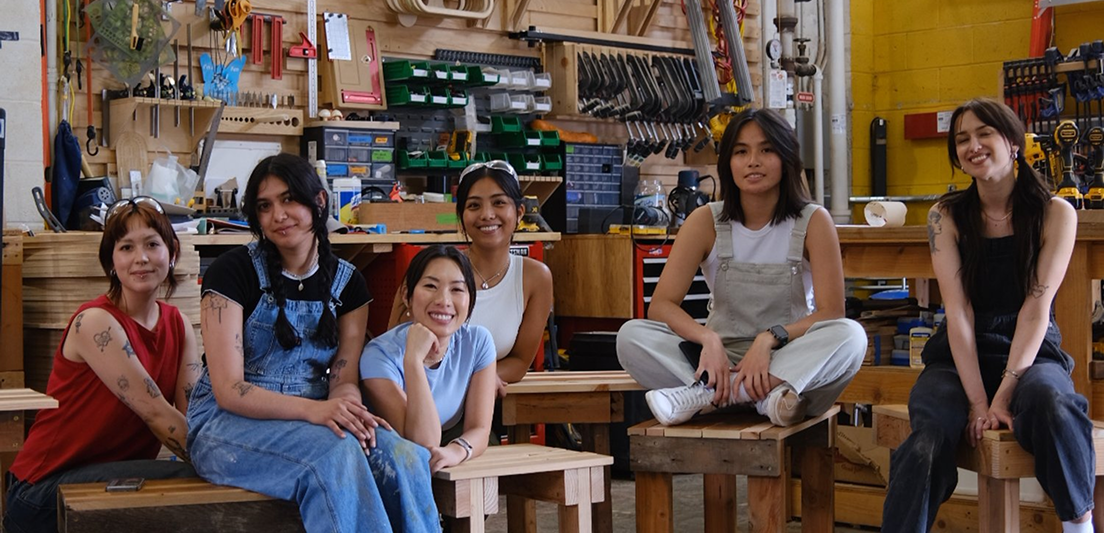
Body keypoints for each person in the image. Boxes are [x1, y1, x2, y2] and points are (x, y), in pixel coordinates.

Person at [186, 153, 439, 533]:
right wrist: (315, 411)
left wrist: (350, 409)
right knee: (334, 455)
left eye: (289, 199)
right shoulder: (231, 272)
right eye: (265, 206)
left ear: (318, 202)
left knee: (404, 454)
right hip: (225, 427)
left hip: (316, 419)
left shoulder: (349, 285)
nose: (278, 215)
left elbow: (343, 378)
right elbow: (229, 391)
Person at [882, 98, 1093, 532]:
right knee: (926, 437)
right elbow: (957, 311)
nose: (973, 145)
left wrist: (1002, 397)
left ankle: (1080, 527)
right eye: (962, 139)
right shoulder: (946, 216)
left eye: (984, 134)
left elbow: (1036, 308)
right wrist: (978, 401)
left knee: (1057, 405)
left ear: (1013, 142)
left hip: (1032, 353)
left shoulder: (1056, 213)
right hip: (958, 358)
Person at [616, 107, 867, 427]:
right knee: (631, 335)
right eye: (741, 151)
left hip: (789, 357)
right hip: (718, 361)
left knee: (851, 336)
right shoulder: (705, 220)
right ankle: (756, 396)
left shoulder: (813, 221)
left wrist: (768, 339)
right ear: (728, 163)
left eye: (766, 150)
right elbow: (662, 306)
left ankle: (713, 396)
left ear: (786, 158)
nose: (753, 161)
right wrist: (709, 340)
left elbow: (832, 312)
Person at [4, 197, 200, 533]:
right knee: (195, 478)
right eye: (126, 247)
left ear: (172, 253)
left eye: (152, 244)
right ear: (111, 261)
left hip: (104, 480)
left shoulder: (178, 325)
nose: (141, 258)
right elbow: (158, 415)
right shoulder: (95, 323)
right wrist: (231, 467)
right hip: (42, 491)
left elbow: (195, 418)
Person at [389, 160, 553, 397]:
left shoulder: (536, 278)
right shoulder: (430, 271)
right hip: (419, 397)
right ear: (462, 215)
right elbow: (392, 350)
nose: (487, 215)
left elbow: (519, 363)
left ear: (519, 213)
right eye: (474, 205)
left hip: (481, 403)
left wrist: (478, 379)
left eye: (499, 203)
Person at [365, 245, 497, 473]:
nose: (444, 300)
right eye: (430, 286)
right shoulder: (378, 354)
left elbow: (480, 429)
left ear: (470, 299)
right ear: (407, 295)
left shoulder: (478, 342)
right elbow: (421, 443)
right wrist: (414, 361)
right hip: (391, 458)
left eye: (457, 290)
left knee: (483, 456)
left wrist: (456, 451)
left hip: (447, 440)